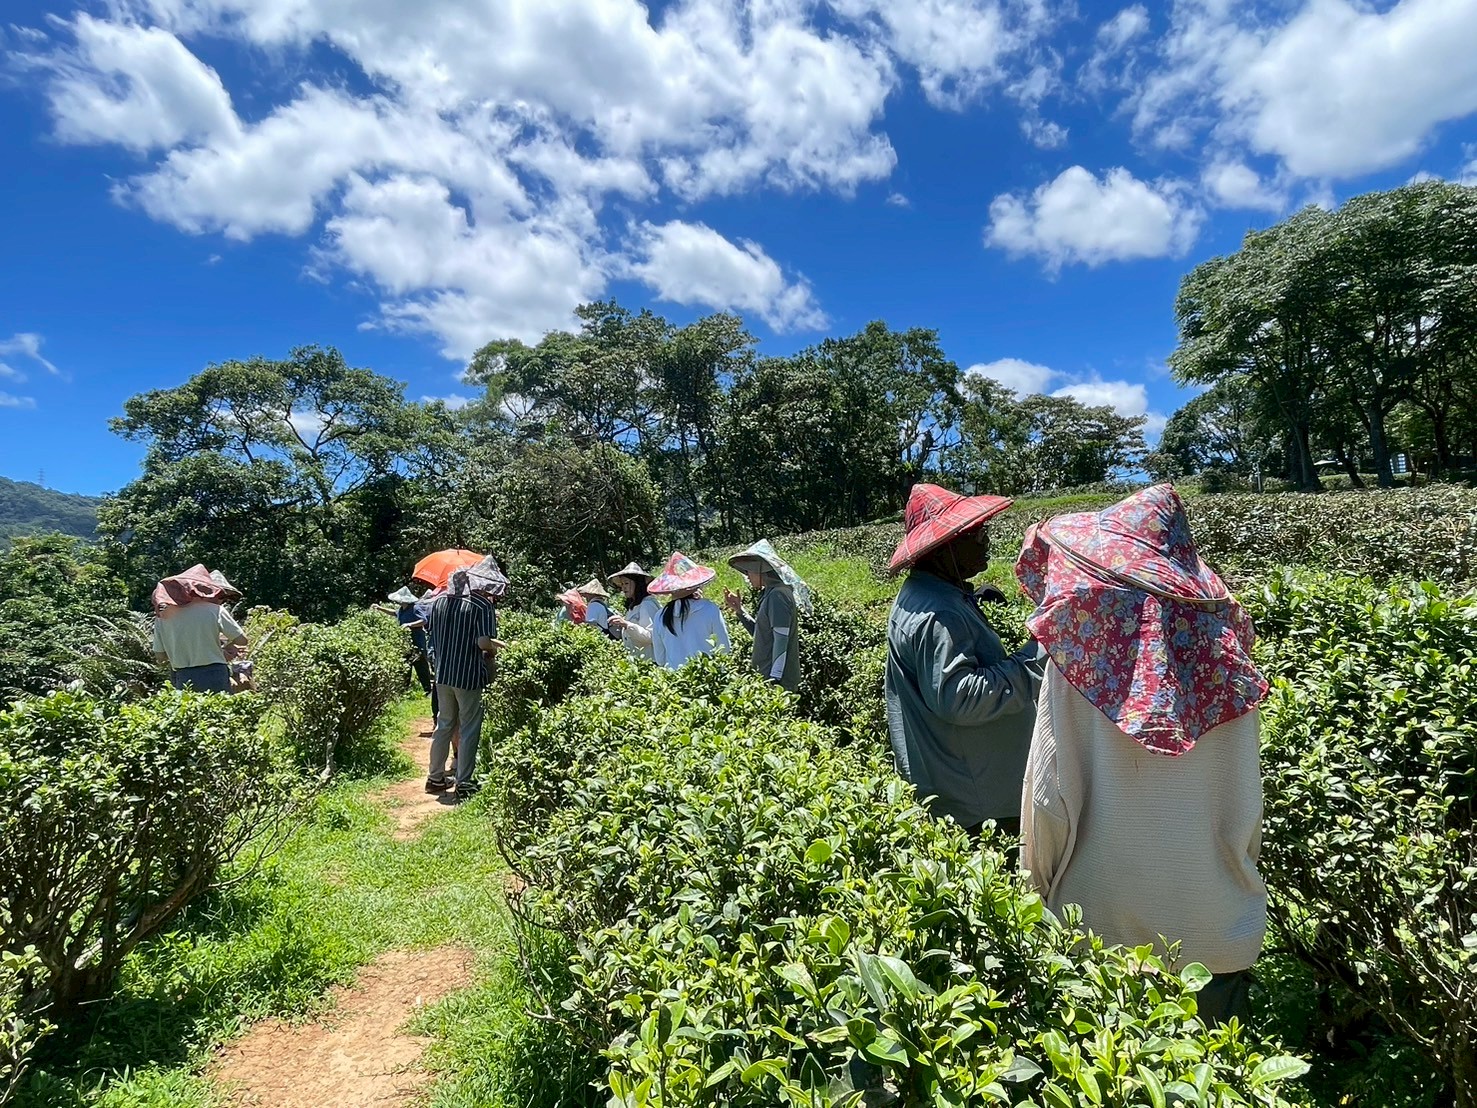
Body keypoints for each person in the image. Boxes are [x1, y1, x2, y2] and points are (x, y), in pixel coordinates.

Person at [1016, 484, 1269, 1027]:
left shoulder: (1078, 652)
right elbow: (1247, 805)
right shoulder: (1229, 653)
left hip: (1100, 930)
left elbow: (1048, 801)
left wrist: (1033, 893)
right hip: (1219, 928)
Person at [884, 484, 1046, 838]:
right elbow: (960, 698)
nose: (986, 541)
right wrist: (1035, 658)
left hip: (962, 783)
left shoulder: (924, 594)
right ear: (946, 547)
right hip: (980, 800)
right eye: (976, 534)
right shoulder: (939, 613)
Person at [426, 555, 509, 802]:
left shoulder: (437, 603)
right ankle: (464, 783)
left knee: (444, 724)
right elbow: (483, 642)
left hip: (442, 674)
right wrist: (494, 650)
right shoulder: (482, 606)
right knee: (469, 727)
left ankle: (435, 777)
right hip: (468, 674)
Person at [723, 540, 810, 692]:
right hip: (768, 678)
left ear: (760, 570)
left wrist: (774, 678)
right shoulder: (771, 593)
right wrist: (740, 611)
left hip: (778, 684)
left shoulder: (778, 596)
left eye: (748, 572)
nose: (747, 577)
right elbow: (762, 634)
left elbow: (781, 639)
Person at [150, 564, 249, 693]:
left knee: (190, 706)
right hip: (215, 674)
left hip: (183, 676)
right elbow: (242, 640)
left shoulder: (163, 616)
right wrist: (221, 650)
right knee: (220, 705)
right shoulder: (215, 610)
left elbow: (160, 656)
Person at [647, 552, 731, 669]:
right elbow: (724, 648)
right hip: (708, 675)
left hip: (676, 678)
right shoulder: (709, 608)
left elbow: (660, 659)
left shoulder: (660, 616)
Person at [381, 586, 438, 721]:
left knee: (421, 667)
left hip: (417, 642)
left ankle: (428, 690)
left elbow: (423, 620)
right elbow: (394, 613)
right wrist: (379, 608)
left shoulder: (415, 608)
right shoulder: (402, 609)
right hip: (406, 643)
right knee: (405, 667)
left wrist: (409, 625)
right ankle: (403, 690)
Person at [606, 561, 660, 661]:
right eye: (622, 584)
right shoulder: (634, 606)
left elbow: (650, 637)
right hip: (639, 661)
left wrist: (626, 624)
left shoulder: (647, 604)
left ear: (638, 584)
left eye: (626, 583)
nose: (623, 587)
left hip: (649, 662)